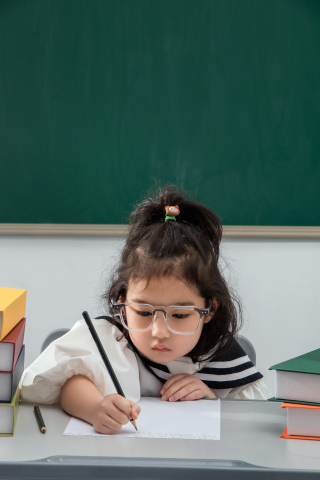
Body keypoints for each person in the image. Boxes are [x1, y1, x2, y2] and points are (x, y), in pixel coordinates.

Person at [21, 186, 271, 434]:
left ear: (210, 308)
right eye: (143, 312)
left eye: (180, 315)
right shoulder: (110, 339)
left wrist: (210, 398)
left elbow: (252, 423)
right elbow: (66, 383)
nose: (159, 331)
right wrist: (95, 408)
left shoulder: (222, 355)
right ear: (123, 302)